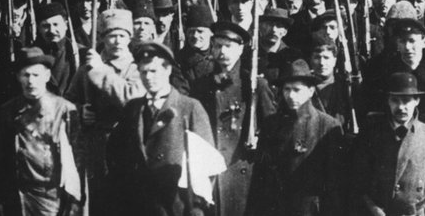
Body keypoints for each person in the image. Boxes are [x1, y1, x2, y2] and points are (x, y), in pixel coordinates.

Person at [107, 41, 214, 216]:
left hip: (176, 205)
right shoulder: (133, 109)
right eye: (143, 72)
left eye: (154, 71)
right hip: (138, 205)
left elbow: (206, 164)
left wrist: (197, 207)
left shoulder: (189, 108)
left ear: (168, 70)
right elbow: (115, 153)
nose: (148, 78)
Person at [191, 21, 276, 216]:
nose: (222, 51)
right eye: (218, 45)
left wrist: (257, 138)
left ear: (240, 49)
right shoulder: (201, 86)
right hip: (210, 172)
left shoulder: (254, 86)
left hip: (243, 173)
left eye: (228, 46)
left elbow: (272, 129)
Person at [65, 8, 144, 212]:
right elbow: (67, 103)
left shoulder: (137, 69)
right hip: (94, 149)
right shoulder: (86, 69)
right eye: (111, 36)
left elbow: (131, 99)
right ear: (102, 38)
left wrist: (101, 70)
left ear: (129, 38)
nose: (117, 41)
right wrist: (80, 111)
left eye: (122, 35)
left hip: (128, 147)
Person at [0, 47, 81, 216]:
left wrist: (75, 200)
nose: (31, 81)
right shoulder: (8, 111)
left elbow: (77, 158)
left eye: (36, 75)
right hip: (17, 197)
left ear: (47, 76)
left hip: (51, 198)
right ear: (18, 77)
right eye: (26, 75)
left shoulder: (64, 110)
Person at [350, 72, 425, 216]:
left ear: (417, 100)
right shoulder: (372, 134)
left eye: (406, 101)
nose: (401, 107)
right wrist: (373, 208)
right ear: (388, 101)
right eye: (395, 100)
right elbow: (358, 180)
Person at [246, 59, 343, 216]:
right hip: (276, 208)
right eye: (287, 89)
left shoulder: (328, 126)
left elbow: (334, 181)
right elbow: (261, 173)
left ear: (310, 91)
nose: (290, 95)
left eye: (297, 90)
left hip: (310, 209)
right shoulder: (272, 124)